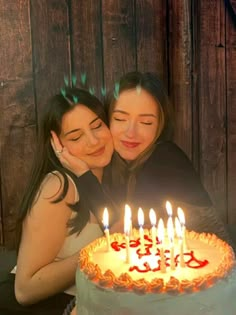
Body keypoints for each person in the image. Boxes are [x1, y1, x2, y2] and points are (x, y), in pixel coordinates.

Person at [56, 71, 235, 250]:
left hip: (214, 270)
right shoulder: (115, 166)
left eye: (146, 123)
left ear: (160, 127)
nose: (131, 132)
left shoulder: (166, 158)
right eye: (120, 119)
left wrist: (84, 175)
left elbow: (119, 235)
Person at [0, 87, 114, 315]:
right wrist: (96, 253)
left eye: (97, 126)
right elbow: (25, 290)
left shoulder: (109, 183)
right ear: (56, 145)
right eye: (76, 136)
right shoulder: (58, 187)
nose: (93, 140)